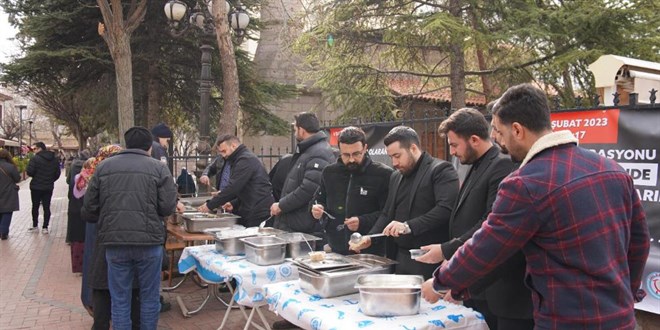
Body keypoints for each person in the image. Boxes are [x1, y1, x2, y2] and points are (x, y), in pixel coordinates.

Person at [421, 84, 650, 329]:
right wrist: (626, 293)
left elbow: (487, 246)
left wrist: (440, 281)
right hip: (621, 319)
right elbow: (639, 243)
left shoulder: (525, 183)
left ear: (517, 130)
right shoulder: (612, 169)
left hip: (567, 321)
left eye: (500, 131)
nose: (500, 142)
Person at [417, 108, 532, 330]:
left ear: (474, 140)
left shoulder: (502, 165)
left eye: (454, 144)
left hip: (502, 293)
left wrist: (447, 250)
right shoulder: (477, 165)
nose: (452, 151)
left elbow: (490, 224)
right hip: (478, 286)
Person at [83, 127, 177, 330]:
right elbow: (168, 206)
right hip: (149, 243)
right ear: (149, 147)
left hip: (115, 243)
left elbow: (89, 208)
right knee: (149, 297)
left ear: (126, 144)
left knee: (120, 298)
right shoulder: (159, 168)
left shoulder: (103, 167)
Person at [349, 126, 459, 278]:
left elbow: (445, 209)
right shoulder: (396, 176)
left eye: (397, 156)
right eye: (391, 157)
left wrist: (408, 226)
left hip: (429, 257)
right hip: (400, 258)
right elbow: (387, 213)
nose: (394, 162)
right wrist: (370, 238)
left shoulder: (440, 170)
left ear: (413, 148)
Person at [311, 127, 393, 255]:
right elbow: (318, 200)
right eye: (346, 155)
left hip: (370, 250)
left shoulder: (383, 174)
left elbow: (388, 213)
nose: (351, 159)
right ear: (339, 150)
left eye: (356, 154)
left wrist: (362, 221)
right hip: (336, 247)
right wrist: (317, 209)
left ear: (365, 148)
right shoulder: (329, 172)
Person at [271, 112, 335, 234]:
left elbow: (309, 188)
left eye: (295, 129)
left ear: (301, 130)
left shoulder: (318, 152)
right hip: (296, 221)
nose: (295, 133)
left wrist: (281, 205)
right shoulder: (309, 150)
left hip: (302, 224)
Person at [198, 135, 275, 228]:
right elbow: (245, 188)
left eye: (224, 151)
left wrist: (209, 205)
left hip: (258, 210)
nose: (223, 155)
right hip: (250, 207)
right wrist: (233, 203)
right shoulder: (240, 159)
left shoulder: (245, 160)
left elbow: (233, 187)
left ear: (233, 146)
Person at [26, 141, 61, 234]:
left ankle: (35, 226)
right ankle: (45, 227)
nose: (34, 151)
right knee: (46, 207)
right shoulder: (54, 159)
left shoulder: (35, 159)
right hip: (48, 186)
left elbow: (30, 172)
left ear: (40, 148)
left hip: (36, 187)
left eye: (35, 149)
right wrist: (50, 180)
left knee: (35, 206)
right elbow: (57, 173)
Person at [66, 149, 91, 272]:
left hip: (75, 208)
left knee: (77, 238)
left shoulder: (77, 175)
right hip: (88, 211)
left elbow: (69, 183)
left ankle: (78, 266)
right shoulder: (92, 177)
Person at [0, 149, 21, 240]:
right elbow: (17, 179)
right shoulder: (11, 167)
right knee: (7, 212)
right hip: (8, 192)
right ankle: (4, 232)